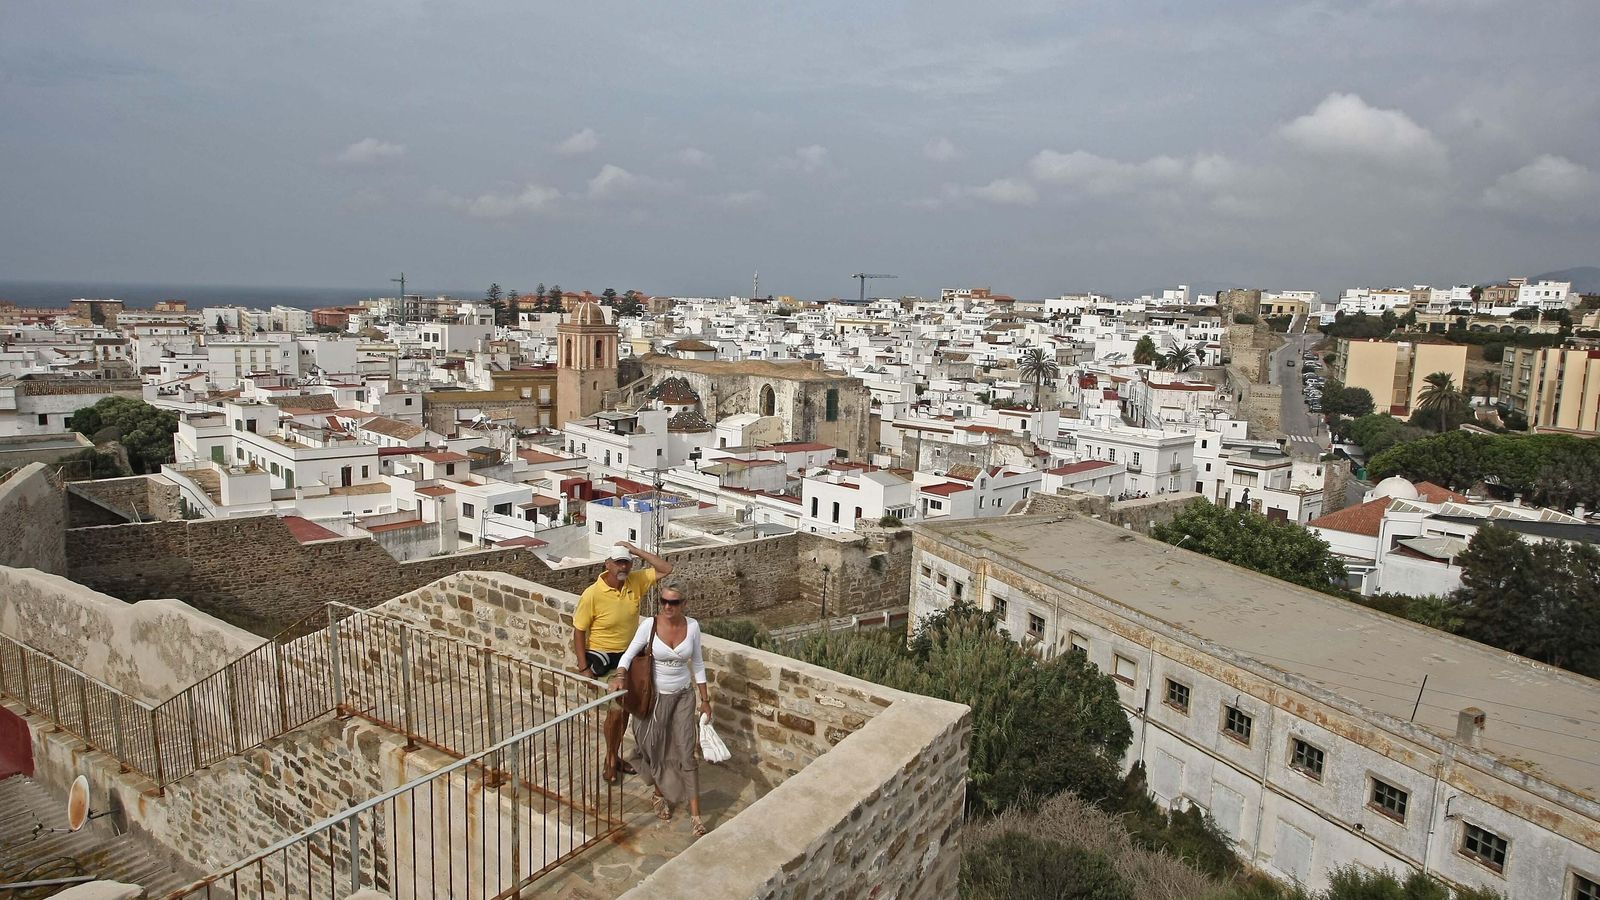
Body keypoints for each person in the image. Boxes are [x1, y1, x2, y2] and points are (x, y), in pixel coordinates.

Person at [611, 586, 712, 836]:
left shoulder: (693, 627)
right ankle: (659, 791)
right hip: (655, 698)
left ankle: (696, 816)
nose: (668, 606)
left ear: (683, 603)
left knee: (685, 752)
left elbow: (697, 663)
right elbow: (628, 654)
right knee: (653, 747)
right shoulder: (650, 625)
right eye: (664, 601)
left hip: (683, 696)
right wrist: (620, 675)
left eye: (674, 602)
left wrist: (705, 699)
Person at [572, 540, 673, 783]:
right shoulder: (592, 594)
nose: (623, 567)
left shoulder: (634, 582)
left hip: (630, 658)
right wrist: (584, 667)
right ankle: (610, 759)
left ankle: (614, 756)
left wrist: (636, 550)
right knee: (616, 712)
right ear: (607, 564)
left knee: (626, 710)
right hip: (604, 659)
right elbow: (578, 631)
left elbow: (665, 569)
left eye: (626, 562)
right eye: (618, 562)